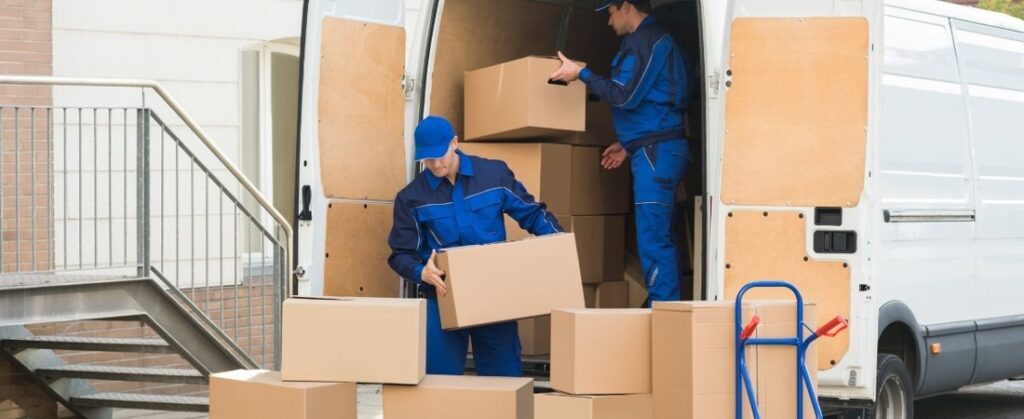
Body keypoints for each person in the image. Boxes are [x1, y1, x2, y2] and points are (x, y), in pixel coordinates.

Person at [387, 115, 563, 376]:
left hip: (493, 293)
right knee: (438, 380)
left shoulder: (494, 175)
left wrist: (559, 246)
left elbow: (533, 214)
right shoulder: (411, 197)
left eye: (440, 156)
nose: (435, 165)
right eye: (427, 159)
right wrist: (421, 272)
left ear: (455, 143)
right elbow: (401, 254)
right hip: (442, 296)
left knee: (503, 380)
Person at [549, 0, 691, 306]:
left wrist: (581, 74)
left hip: (657, 152)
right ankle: (668, 307)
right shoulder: (652, 41)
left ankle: (662, 311)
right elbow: (655, 99)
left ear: (626, 6)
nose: (608, 21)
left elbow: (624, 95)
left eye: (611, 13)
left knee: (653, 237)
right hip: (654, 147)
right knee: (660, 233)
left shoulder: (646, 41)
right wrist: (628, 144)